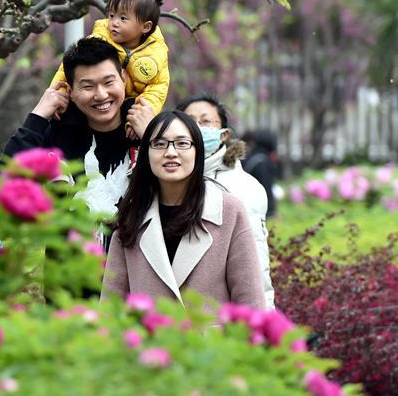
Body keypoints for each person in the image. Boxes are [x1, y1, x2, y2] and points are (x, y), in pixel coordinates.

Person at [101, 111, 266, 309]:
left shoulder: (229, 211)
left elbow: (251, 304)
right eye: (160, 144)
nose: (170, 152)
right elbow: (111, 308)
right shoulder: (131, 214)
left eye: (182, 143)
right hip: (147, 339)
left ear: (198, 151)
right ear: (146, 153)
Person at [4, 37, 154, 219]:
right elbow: (4, 182)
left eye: (108, 82)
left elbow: (184, 189)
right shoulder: (57, 137)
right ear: (71, 91)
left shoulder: (146, 130)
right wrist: (39, 115)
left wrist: (153, 136)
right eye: (88, 86)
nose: (101, 95)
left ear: (124, 79)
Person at [178, 94, 274, 308]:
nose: (196, 127)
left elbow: (255, 264)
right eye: (189, 121)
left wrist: (262, 319)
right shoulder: (166, 179)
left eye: (205, 121)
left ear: (224, 134)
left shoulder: (243, 187)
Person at [51, 0, 170, 123]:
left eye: (123, 18)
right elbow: (68, 69)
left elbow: (159, 86)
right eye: (112, 15)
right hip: (96, 105)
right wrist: (59, 94)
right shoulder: (99, 39)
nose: (114, 22)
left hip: (130, 111)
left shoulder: (156, 54)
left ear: (146, 27)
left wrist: (141, 112)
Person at [243, 129, 279, 217]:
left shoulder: (250, 157)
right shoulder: (262, 161)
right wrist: (271, 212)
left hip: (246, 207)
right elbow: (266, 187)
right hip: (258, 210)